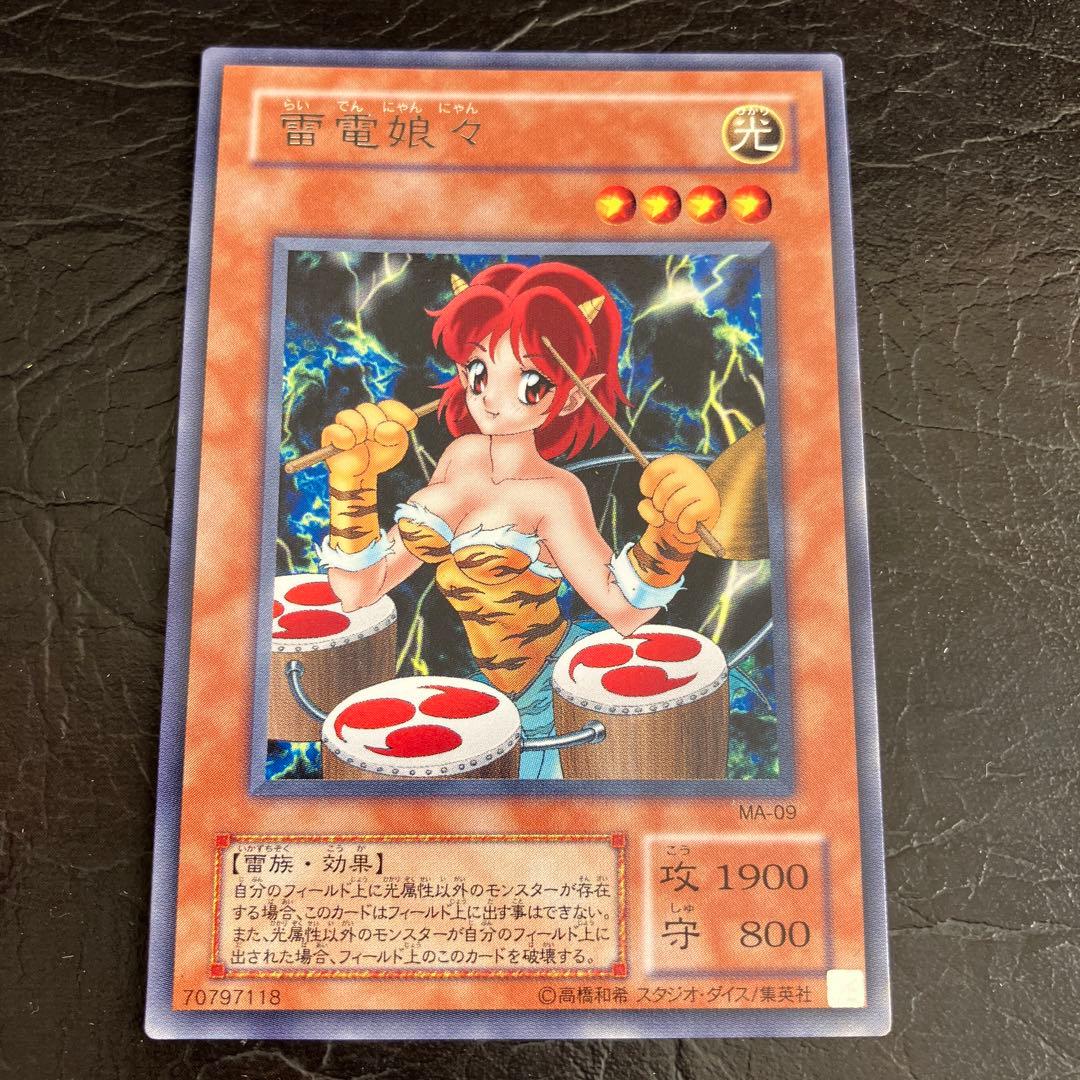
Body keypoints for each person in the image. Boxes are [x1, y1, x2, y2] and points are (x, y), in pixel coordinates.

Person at [318, 261, 720, 778]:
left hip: (556, 695)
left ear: (573, 395)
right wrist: (353, 483)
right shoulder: (459, 457)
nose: (491, 399)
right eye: (478, 371)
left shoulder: (555, 494)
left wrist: (671, 535)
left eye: (530, 383)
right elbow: (359, 590)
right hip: (492, 700)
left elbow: (624, 609)